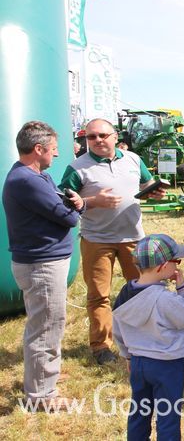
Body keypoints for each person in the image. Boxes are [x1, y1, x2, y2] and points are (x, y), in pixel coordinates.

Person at [59, 118, 166, 365]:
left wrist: (154, 191)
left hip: (133, 238)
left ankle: (143, 338)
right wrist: (93, 201)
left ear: (115, 136)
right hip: (97, 239)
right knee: (99, 295)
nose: (97, 140)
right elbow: (63, 201)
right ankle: (101, 347)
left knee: (142, 290)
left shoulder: (134, 160)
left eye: (102, 135)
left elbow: (146, 184)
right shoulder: (77, 168)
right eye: (91, 137)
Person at [2, 121, 84, 410]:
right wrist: (79, 206)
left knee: (46, 325)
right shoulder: (28, 180)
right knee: (46, 329)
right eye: (53, 149)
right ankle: (40, 397)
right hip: (42, 266)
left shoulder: (36, 176)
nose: (57, 155)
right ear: (38, 149)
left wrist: (72, 205)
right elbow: (69, 217)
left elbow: (62, 206)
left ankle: (42, 383)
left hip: (44, 263)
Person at [113, 234, 184, 440]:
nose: (177, 266)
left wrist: (127, 356)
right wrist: (183, 289)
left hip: (139, 363)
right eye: (176, 262)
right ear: (162, 267)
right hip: (167, 365)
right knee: (168, 416)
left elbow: (117, 330)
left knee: (139, 412)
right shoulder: (165, 299)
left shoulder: (124, 295)